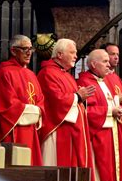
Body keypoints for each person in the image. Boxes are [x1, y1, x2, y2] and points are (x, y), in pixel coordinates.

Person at [0, 35, 45, 165]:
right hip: (13, 130)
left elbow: (40, 100)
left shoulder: (32, 75)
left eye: (31, 49)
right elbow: (8, 106)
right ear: (13, 51)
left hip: (30, 130)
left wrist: (37, 110)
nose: (29, 53)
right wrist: (34, 111)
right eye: (24, 49)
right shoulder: (5, 73)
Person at [38, 38, 96, 174]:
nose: (76, 56)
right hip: (57, 130)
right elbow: (56, 101)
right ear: (59, 55)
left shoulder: (66, 75)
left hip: (70, 131)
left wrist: (80, 97)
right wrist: (78, 96)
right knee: (55, 170)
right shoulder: (48, 73)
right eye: (72, 52)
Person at [78, 48, 122, 181]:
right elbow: (86, 112)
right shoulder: (85, 82)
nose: (109, 65)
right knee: (102, 175)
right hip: (98, 137)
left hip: (111, 134)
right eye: (105, 61)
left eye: (109, 61)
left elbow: (109, 103)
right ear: (94, 65)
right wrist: (110, 111)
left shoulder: (104, 81)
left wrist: (118, 108)